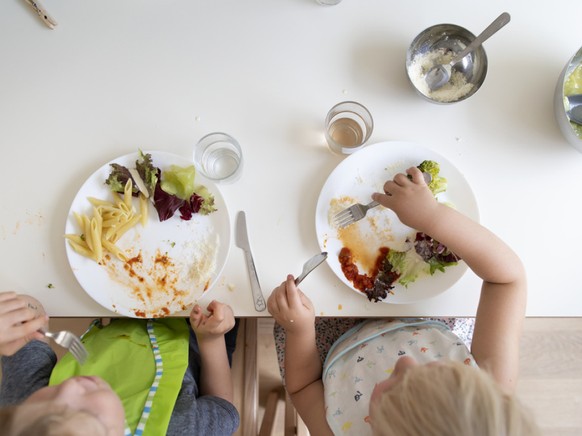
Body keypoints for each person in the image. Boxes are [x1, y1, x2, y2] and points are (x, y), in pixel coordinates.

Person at [267, 166, 540, 435]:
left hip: (332, 347)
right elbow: (508, 280)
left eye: (393, 384)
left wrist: (299, 329)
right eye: (432, 369)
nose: (404, 363)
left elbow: (304, 387)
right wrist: (433, 217)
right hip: (423, 323)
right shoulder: (488, 391)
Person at [0, 292, 240, 436]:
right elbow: (223, 405)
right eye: (85, 412)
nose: (70, 387)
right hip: (204, 336)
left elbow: (25, 330)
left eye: (50, 395)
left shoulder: (24, 416)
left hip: (125, 318)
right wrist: (211, 339)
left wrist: (16, 320)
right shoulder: (181, 428)